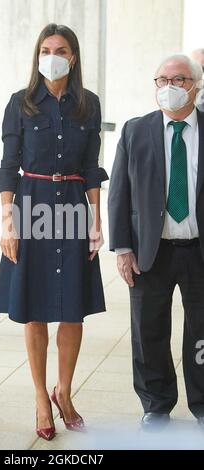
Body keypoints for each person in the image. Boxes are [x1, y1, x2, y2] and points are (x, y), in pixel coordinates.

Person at [0, 23, 107, 440]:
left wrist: (96, 219)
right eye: (45, 48)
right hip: (32, 204)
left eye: (60, 49)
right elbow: (7, 168)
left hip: (74, 203)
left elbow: (93, 166)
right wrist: (8, 222)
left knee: (72, 310)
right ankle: (42, 397)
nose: (52, 55)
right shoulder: (19, 104)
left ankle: (65, 391)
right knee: (36, 309)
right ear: (37, 55)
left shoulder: (87, 104)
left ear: (73, 57)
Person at [108, 54, 204, 432]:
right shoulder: (136, 131)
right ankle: (156, 403)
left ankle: (202, 403)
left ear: (196, 84)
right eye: (161, 80)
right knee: (148, 330)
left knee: (201, 332)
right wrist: (122, 249)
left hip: (199, 250)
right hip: (151, 251)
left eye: (178, 80)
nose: (169, 87)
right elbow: (119, 193)